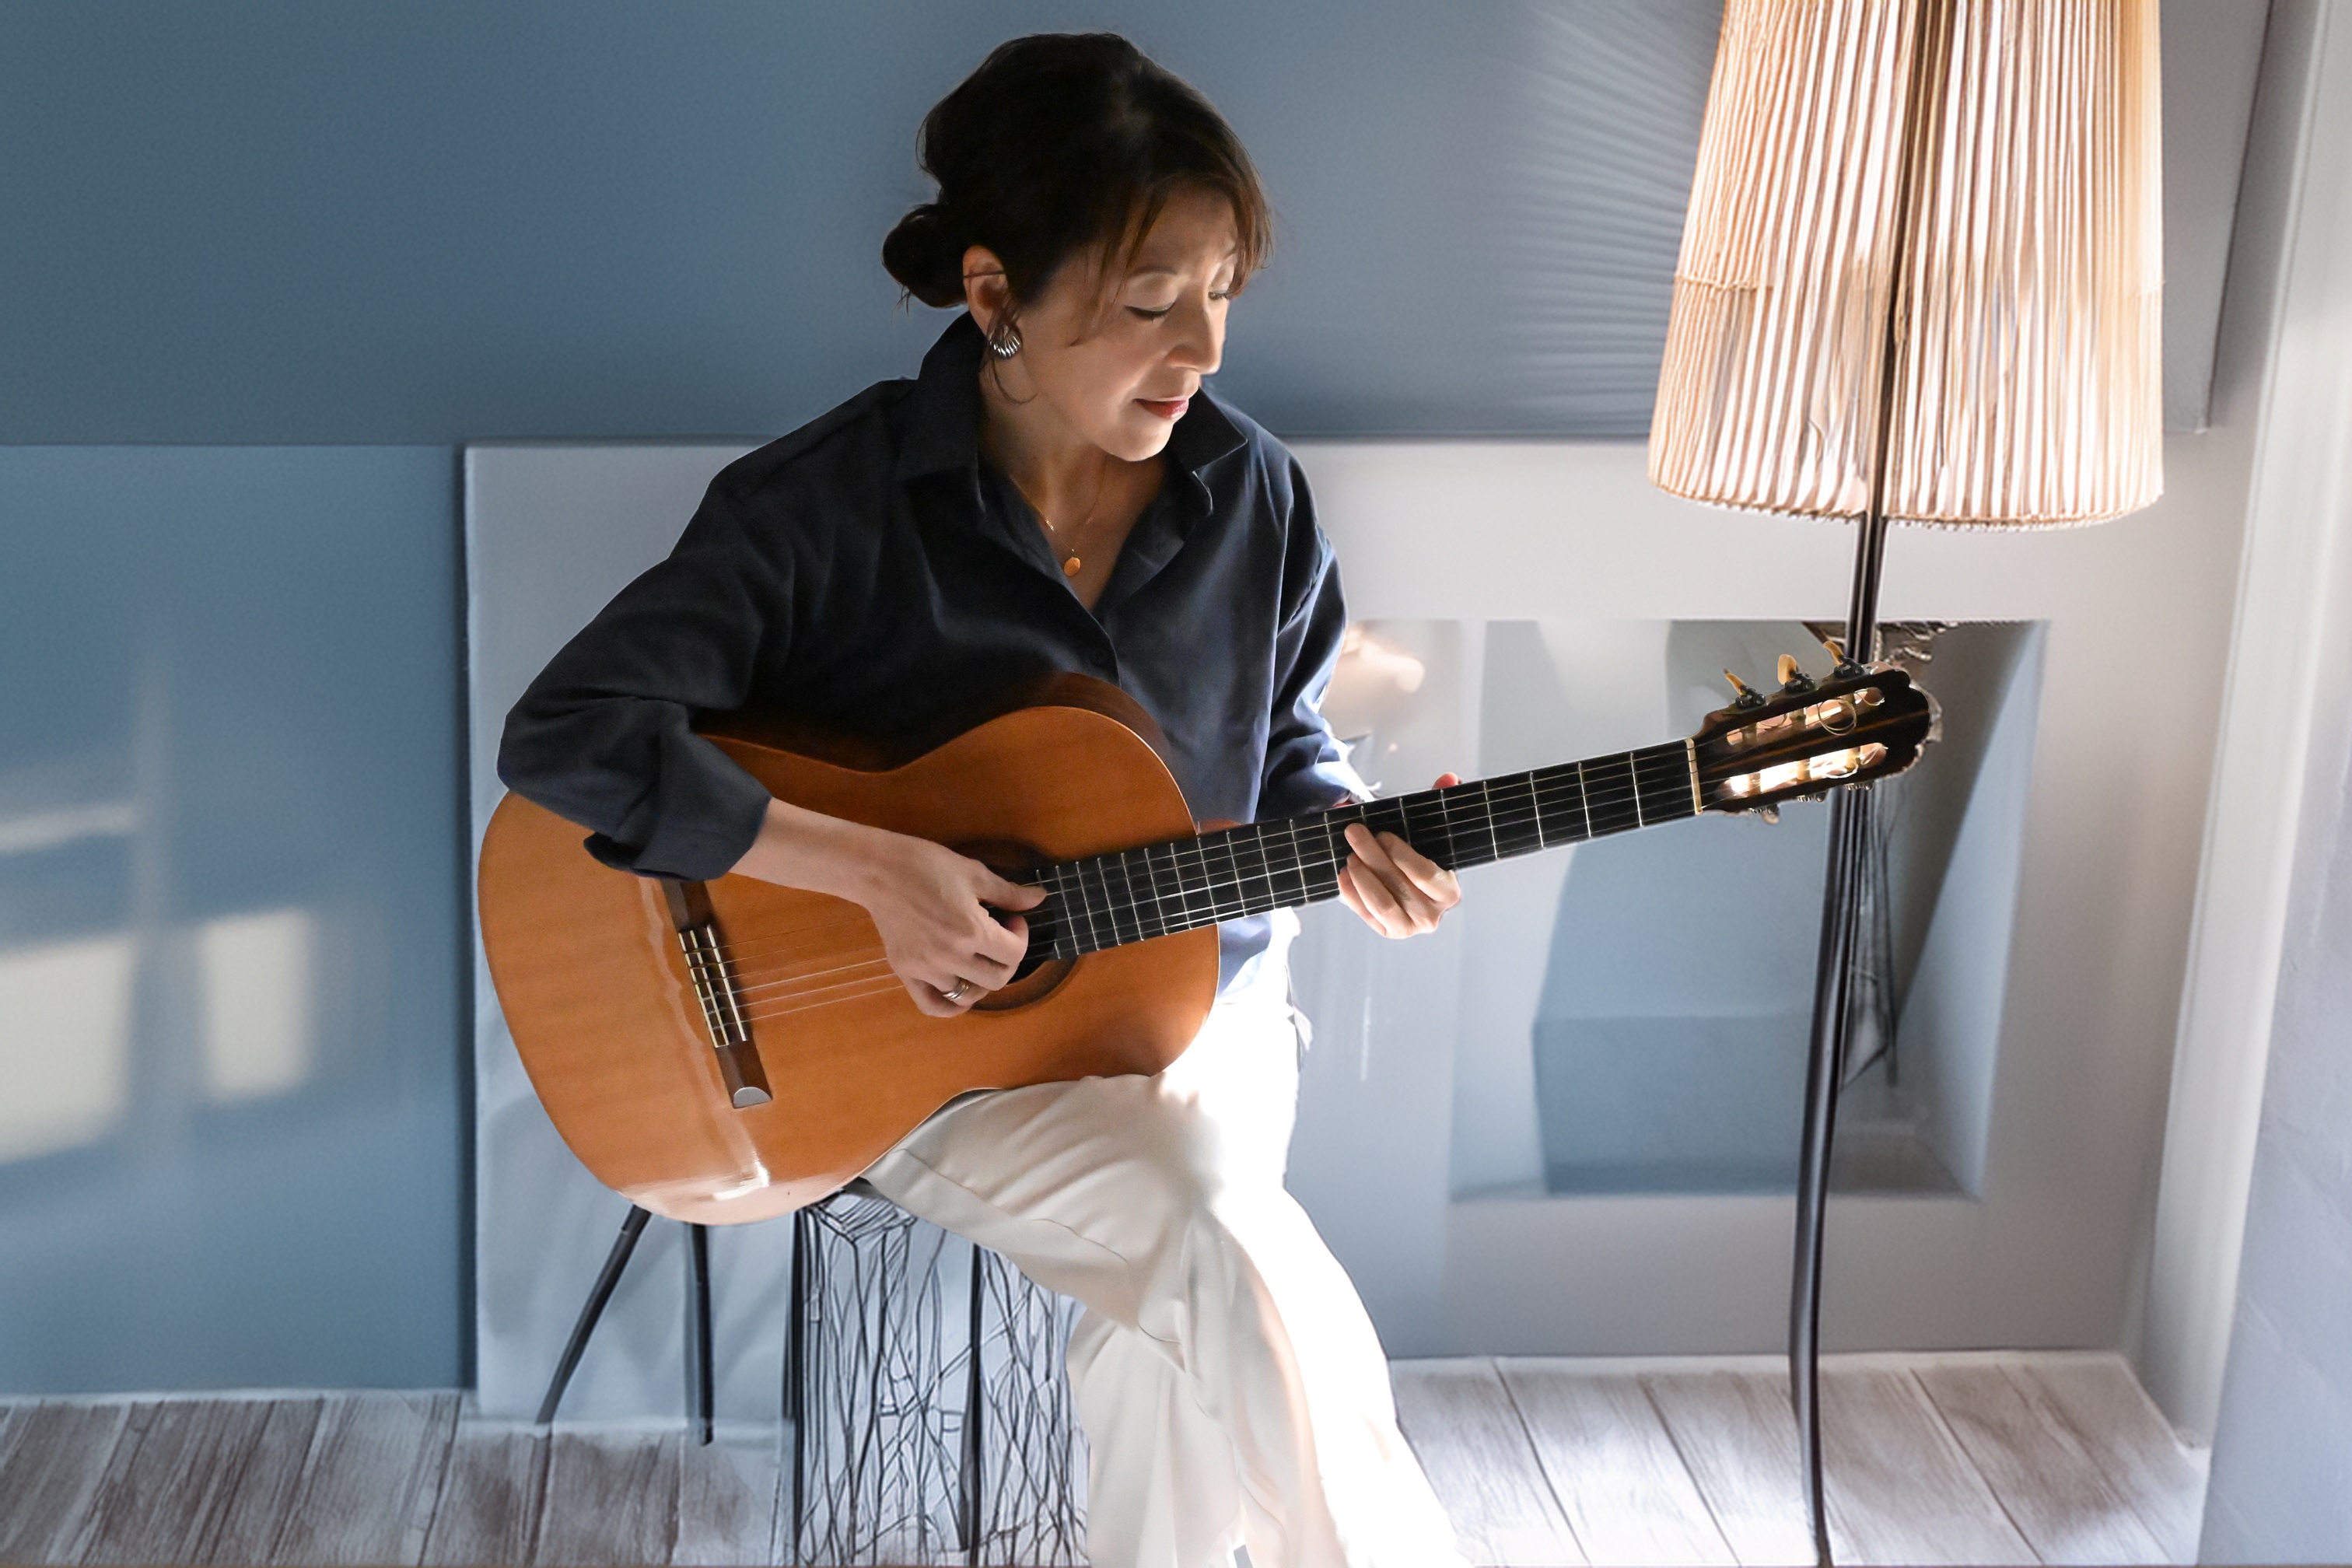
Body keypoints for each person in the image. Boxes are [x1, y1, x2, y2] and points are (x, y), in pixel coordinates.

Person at [499, 32, 1470, 1568]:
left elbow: (1284, 737)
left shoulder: (1257, 498)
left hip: (1204, 1007)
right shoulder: (825, 509)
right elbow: (568, 734)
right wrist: (869, 870)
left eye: (1222, 293)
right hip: (928, 1057)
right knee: (1208, 1233)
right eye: (1150, 302)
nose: (1204, 347)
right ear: (995, 293)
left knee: (1180, 1323)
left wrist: (1350, 831)